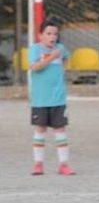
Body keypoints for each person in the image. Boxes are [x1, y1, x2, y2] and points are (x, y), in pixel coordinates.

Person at [28, 17, 75, 176]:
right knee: (40, 129)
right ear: (41, 35)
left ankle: (64, 165)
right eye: (48, 33)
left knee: (60, 130)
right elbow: (35, 68)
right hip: (40, 99)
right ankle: (38, 164)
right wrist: (51, 58)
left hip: (58, 98)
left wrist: (66, 68)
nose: (52, 37)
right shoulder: (35, 49)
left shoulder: (61, 48)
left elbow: (67, 58)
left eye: (55, 34)